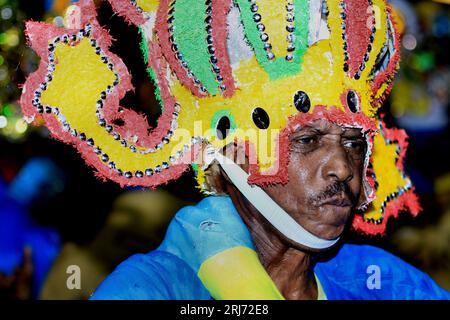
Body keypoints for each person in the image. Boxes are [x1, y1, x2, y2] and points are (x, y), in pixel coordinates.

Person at [20, 0, 450, 299]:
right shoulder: (153, 289)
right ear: (228, 160)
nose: (342, 167)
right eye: (306, 139)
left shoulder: (382, 282)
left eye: (354, 142)